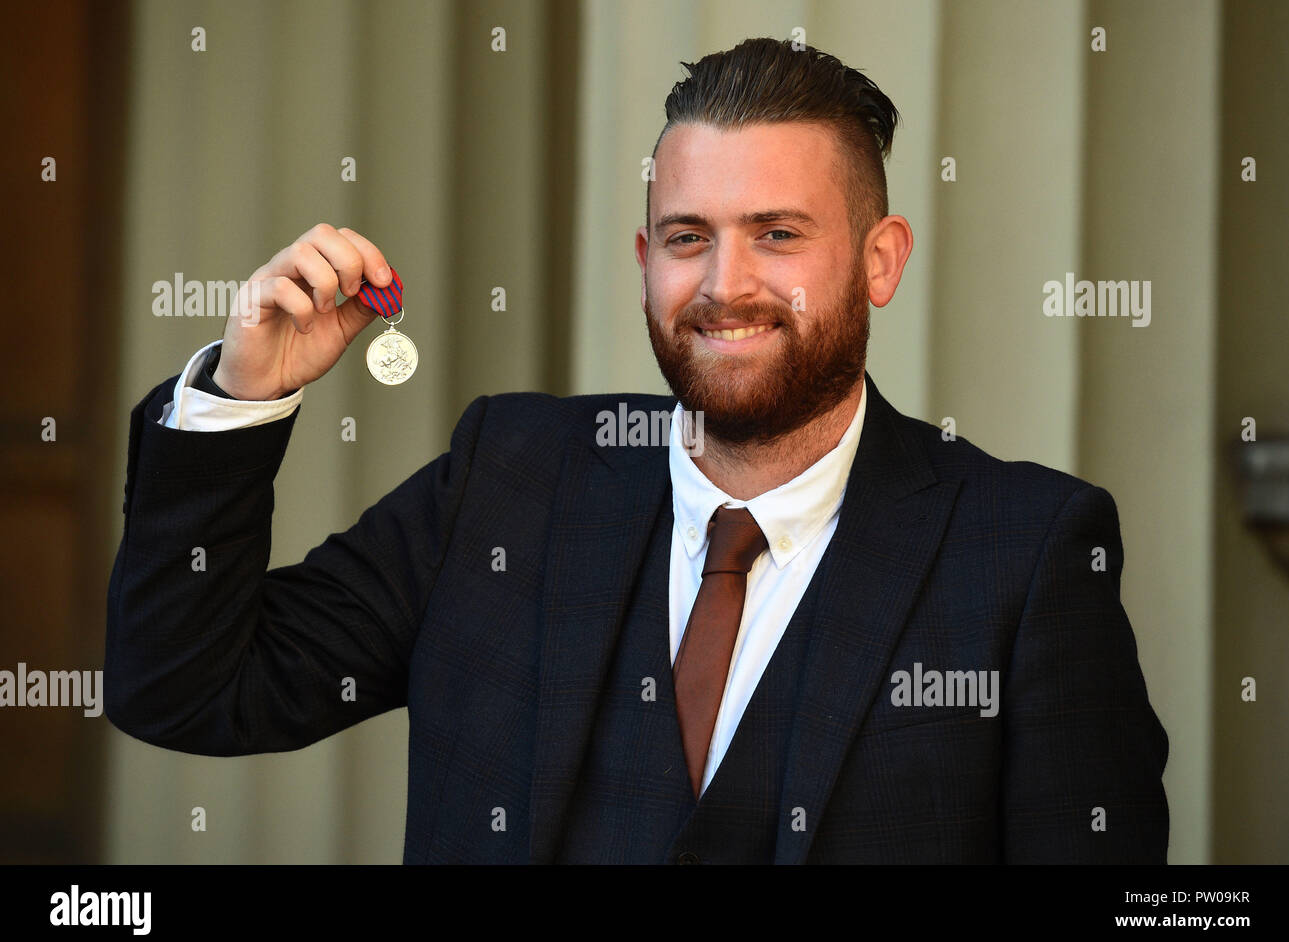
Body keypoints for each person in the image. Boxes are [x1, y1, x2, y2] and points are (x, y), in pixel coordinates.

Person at [105, 37, 1169, 863]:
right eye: (687, 237)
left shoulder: (1024, 553)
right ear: (644, 257)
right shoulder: (506, 479)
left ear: (879, 260)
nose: (723, 285)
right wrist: (242, 393)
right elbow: (188, 690)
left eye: (779, 233)